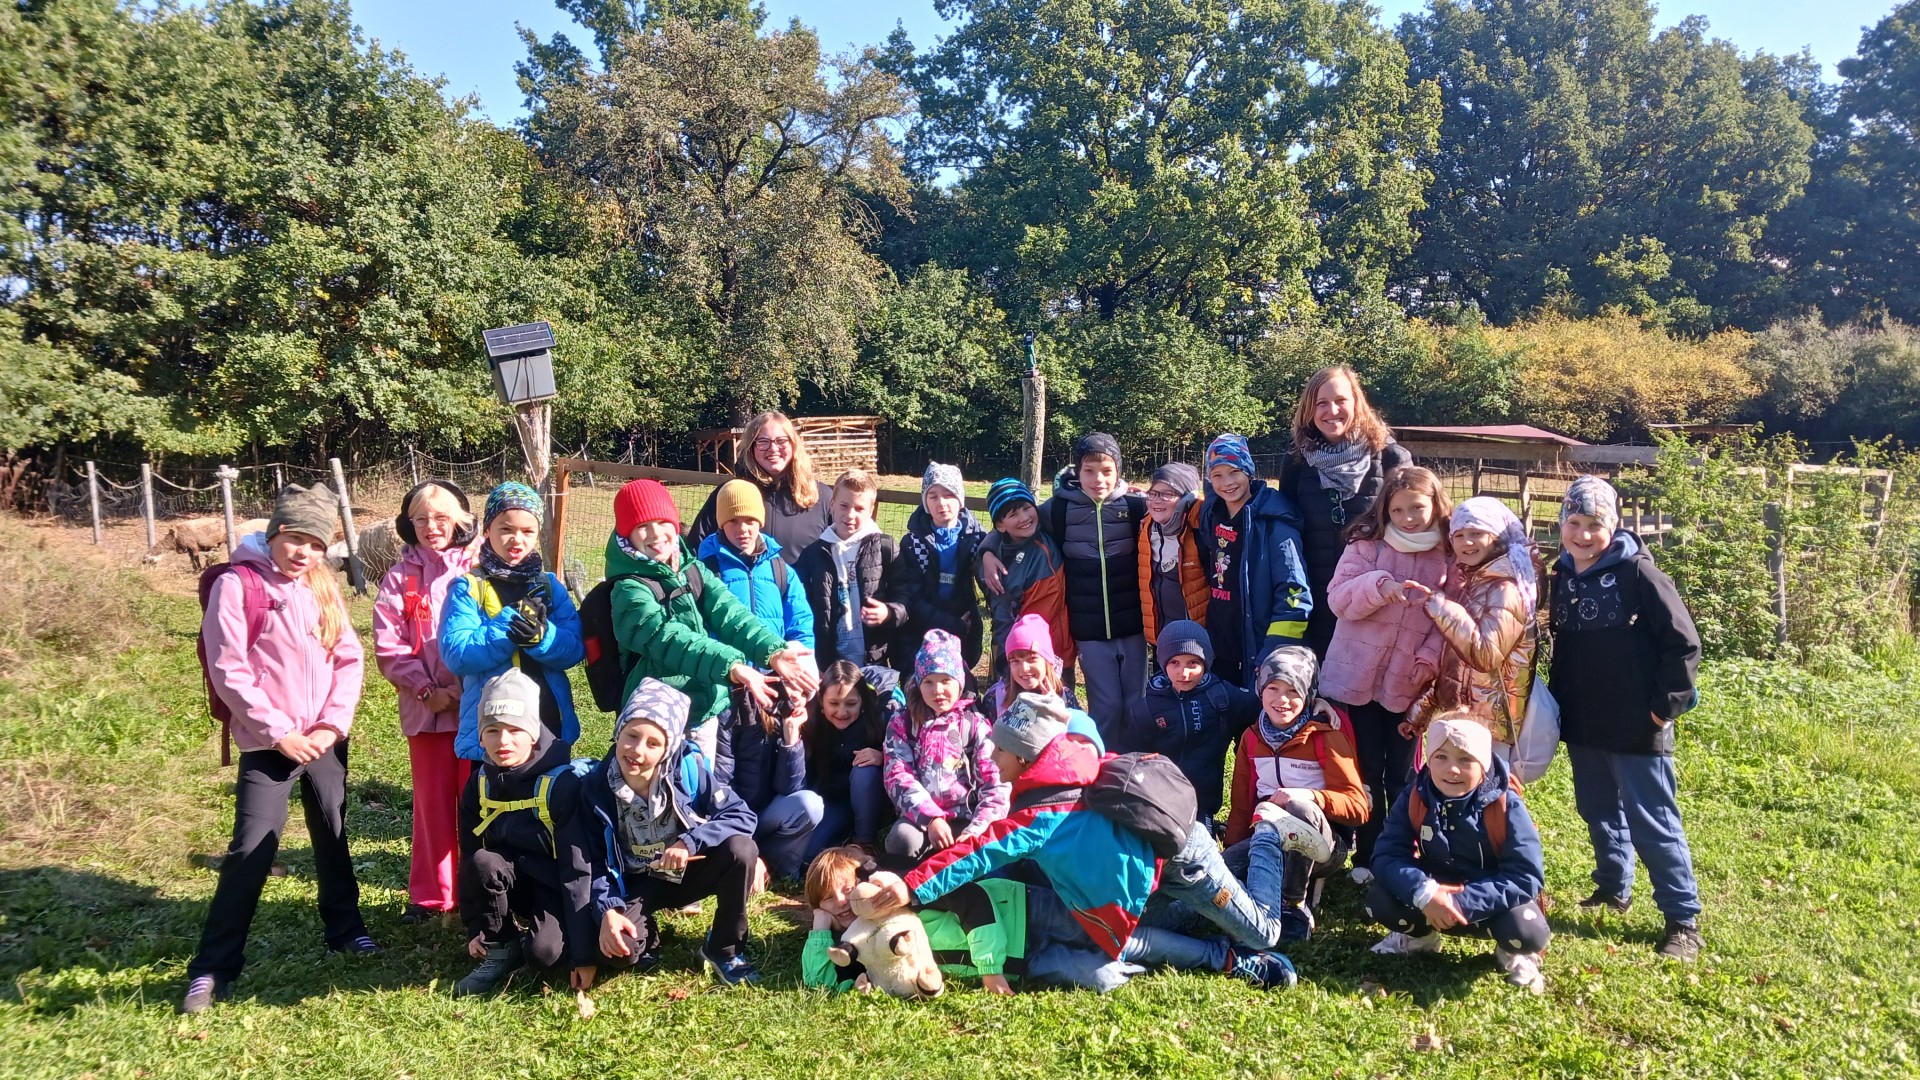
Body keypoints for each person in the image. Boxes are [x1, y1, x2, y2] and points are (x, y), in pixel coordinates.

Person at [866, 694, 1307, 987]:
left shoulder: (1043, 813)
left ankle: (1269, 836)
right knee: (1173, 923)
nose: (992, 758)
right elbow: (1071, 720)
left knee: (1265, 933)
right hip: (1149, 874)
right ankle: (1240, 864)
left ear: (1024, 756)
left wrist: (911, 886)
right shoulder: (1067, 761)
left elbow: (977, 853)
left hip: (1183, 863)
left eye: (999, 750)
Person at [181, 483, 374, 1015]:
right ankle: (213, 968)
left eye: (316, 544)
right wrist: (278, 732)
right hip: (270, 743)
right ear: (274, 533)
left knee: (333, 833)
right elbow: (228, 667)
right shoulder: (237, 584)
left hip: (324, 740)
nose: (303, 552)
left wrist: (331, 726)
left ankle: (345, 930)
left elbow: (349, 658)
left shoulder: (322, 586)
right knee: (252, 849)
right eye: (295, 539)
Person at [1550, 475, 1706, 962]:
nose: (1583, 534)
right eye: (1574, 523)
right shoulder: (1561, 575)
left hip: (1639, 724)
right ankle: (1613, 886)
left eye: (1594, 525)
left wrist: (1663, 708)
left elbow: (1684, 644)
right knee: (1597, 808)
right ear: (1561, 524)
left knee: (1653, 820)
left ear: (1613, 526)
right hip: (1583, 721)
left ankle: (1683, 920)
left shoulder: (1639, 575)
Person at [802, 847, 1287, 993]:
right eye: (828, 900)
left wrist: (988, 969)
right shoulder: (859, 940)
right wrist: (822, 928)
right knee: (1102, 977)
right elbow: (821, 979)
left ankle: (1227, 958)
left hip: (1026, 912)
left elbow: (972, 901)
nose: (842, 902)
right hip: (1023, 965)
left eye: (845, 888)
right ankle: (1193, 920)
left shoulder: (898, 896)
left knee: (1124, 941)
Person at [603, 478, 819, 763]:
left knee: (701, 786)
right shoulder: (629, 589)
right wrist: (733, 666)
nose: (656, 533)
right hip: (655, 720)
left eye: (663, 522)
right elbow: (669, 639)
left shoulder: (690, 569)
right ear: (626, 534)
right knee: (659, 789)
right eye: (643, 526)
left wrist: (773, 651)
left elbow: (731, 613)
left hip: (702, 711)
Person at [580, 679, 764, 986]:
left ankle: (724, 949)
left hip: (686, 871)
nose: (638, 750)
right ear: (618, 731)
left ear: (668, 749)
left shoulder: (688, 770)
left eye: (653, 743)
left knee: (742, 850)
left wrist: (690, 842)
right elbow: (594, 861)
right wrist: (608, 908)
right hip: (636, 883)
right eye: (632, 735)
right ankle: (647, 933)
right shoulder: (595, 788)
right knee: (617, 954)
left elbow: (741, 815)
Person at [1319, 466, 1452, 882]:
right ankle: (1366, 852)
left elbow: (1449, 620)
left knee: (1403, 773)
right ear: (1385, 511)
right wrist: (1379, 587)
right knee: (1364, 768)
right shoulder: (1367, 545)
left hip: (1407, 681)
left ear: (1435, 505)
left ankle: (1403, 851)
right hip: (1355, 678)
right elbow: (1338, 599)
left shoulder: (1447, 556)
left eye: (1417, 508)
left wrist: (1428, 659)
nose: (1408, 518)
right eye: (1398, 510)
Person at [1365, 712, 1549, 994]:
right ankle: (1421, 938)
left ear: (1484, 764)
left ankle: (1512, 952)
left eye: (1465, 759)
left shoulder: (1506, 805)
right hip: (1431, 898)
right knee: (1380, 900)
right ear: (1428, 759)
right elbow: (1386, 855)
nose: (1452, 769)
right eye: (1441, 757)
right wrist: (1424, 892)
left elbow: (1525, 877)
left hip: (1487, 905)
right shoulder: (1415, 795)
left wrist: (1460, 902)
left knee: (1527, 930)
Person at [984, 433, 1149, 734]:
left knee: (1137, 705)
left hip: (1133, 625)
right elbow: (1013, 527)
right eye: (1089, 471)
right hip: (1087, 630)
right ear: (1077, 471)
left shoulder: (1135, 505)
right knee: (1106, 707)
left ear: (1119, 471)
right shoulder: (1059, 510)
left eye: (1107, 471)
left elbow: (1176, 511)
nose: (1098, 479)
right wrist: (986, 551)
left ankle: (1135, 760)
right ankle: (1101, 759)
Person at [453, 670, 599, 997]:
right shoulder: (479, 783)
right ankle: (501, 945)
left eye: (515, 730)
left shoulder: (561, 786)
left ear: (533, 733)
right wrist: (475, 927)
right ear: (480, 737)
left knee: (544, 955)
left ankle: (543, 937)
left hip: (555, 885)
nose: (503, 742)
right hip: (511, 880)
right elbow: (469, 856)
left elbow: (577, 871)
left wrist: (583, 954)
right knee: (483, 861)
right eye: (492, 731)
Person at [373, 478, 479, 923]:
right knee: (431, 805)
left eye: (440, 518)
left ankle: (481, 888)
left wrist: (466, 689)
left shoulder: (479, 567)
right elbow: (389, 647)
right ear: (408, 524)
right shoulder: (399, 578)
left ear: (460, 521)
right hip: (426, 712)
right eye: (421, 519)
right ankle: (434, 895)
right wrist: (427, 691)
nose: (431, 527)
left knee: (478, 800)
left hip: (477, 710)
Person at [1224, 647, 1367, 941]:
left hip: (1325, 846)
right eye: (1273, 689)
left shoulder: (1326, 736)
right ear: (1260, 689)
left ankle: (1293, 905)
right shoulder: (1251, 737)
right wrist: (1232, 851)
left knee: (1300, 809)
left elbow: (1358, 806)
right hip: (1267, 838)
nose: (1282, 700)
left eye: (1293, 691)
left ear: (1309, 695)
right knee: (1219, 872)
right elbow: (1240, 807)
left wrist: (1310, 796)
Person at [440, 482, 585, 763]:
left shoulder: (550, 586)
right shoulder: (468, 588)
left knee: (551, 788)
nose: (517, 539)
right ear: (487, 530)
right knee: (494, 790)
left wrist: (542, 638)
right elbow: (457, 654)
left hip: (547, 721)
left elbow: (575, 648)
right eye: (506, 529)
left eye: (527, 531)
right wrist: (510, 625)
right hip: (494, 731)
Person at [1276, 366, 1413, 657]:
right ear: (1309, 409)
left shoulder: (1391, 458)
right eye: (1321, 403)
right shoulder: (1296, 463)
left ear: (1356, 402)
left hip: (1374, 600)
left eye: (1340, 400)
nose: (1332, 411)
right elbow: (1286, 532)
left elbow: (1415, 528)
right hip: (1314, 601)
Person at [1406, 497, 1539, 756]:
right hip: (1465, 722)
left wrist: (1443, 609)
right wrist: (1421, 712)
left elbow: (1485, 655)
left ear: (1496, 537)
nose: (1467, 542)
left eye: (1476, 533)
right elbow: (1455, 666)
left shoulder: (1506, 589)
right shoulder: (1475, 584)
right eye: (1459, 535)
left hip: (1490, 730)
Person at [881, 629, 1007, 865]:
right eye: (928, 682)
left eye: (946, 681)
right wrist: (931, 819)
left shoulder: (976, 725)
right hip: (921, 820)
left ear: (959, 682)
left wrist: (976, 831)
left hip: (967, 818)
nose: (937, 690)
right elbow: (897, 776)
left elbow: (995, 784)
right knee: (901, 841)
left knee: (975, 856)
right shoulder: (903, 723)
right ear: (918, 683)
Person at [1197, 433, 1312, 689]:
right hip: (1219, 649)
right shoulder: (1212, 514)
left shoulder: (1275, 523)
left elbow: (1294, 591)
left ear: (1249, 471)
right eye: (1217, 475)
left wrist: (1275, 649)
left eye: (1234, 472)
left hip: (1259, 653)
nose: (1227, 482)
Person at [1118, 620, 1259, 823]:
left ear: (1206, 663)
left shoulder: (1222, 695)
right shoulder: (1147, 707)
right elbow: (1128, 758)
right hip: (1160, 804)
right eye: (1174, 663)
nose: (1183, 673)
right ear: (1163, 664)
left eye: (1193, 663)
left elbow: (1263, 707)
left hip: (1203, 804)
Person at [686, 410, 833, 563]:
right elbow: (695, 550)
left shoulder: (821, 496)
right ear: (751, 447)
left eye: (781, 440)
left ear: (793, 445)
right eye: (763, 441)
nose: (773, 448)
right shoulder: (729, 494)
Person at [797, 469, 903, 670]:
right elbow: (801, 603)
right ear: (832, 504)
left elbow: (905, 592)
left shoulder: (886, 548)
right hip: (828, 662)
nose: (850, 515)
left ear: (871, 510)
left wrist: (889, 612)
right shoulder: (814, 553)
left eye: (859, 508)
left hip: (874, 661)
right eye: (844, 506)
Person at [714, 692, 821, 883]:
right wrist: (748, 846)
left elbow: (791, 790)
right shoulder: (733, 707)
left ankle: (784, 876)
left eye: (805, 692)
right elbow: (721, 786)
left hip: (767, 818)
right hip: (735, 819)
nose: (798, 696)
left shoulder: (801, 717)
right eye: (793, 686)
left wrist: (791, 737)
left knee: (810, 804)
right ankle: (746, 863)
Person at [696, 478, 815, 649]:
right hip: (728, 664)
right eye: (733, 520)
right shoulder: (706, 570)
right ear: (721, 523)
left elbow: (801, 623)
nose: (743, 529)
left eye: (750, 520)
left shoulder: (780, 570)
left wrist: (801, 656)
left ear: (760, 521)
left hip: (774, 663)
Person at [893, 462, 987, 677]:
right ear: (925, 501)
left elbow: (990, 586)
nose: (941, 503)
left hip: (964, 633)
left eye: (948, 495)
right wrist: (953, 625)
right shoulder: (913, 543)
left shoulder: (978, 541)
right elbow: (913, 598)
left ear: (960, 498)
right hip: (920, 634)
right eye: (933, 496)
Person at [802, 661, 899, 859]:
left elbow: (906, 755)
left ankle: (864, 841)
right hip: (835, 799)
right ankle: (844, 836)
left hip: (873, 798)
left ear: (862, 701)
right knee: (810, 855)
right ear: (821, 701)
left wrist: (883, 756)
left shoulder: (881, 716)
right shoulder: (811, 721)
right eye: (834, 703)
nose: (842, 712)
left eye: (851, 704)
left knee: (865, 770)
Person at [979, 477, 1072, 678]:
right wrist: (1006, 669)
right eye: (1013, 514)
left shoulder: (1045, 528)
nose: (1024, 517)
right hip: (1029, 660)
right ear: (1001, 525)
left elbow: (1073, 494)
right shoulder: (1001, 568)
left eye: (1027, 508)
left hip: (1061, 651)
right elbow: (1004, 619)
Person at [1138, 462, 1208, 653]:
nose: (1157, 500)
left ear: (1186, 498)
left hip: (1197, 644)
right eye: (1153, 493)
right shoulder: (1146, 529)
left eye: (1167, 494)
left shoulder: (1201, 531)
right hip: (1162, 639)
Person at [979, 612, 1081, 721]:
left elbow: (1080, 729)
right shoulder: (995, 699)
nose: (1024, 668)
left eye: (1032, 659)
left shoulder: (1065, 698)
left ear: (1048, 661)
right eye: (1015, 661)